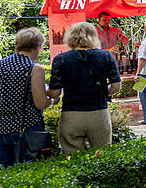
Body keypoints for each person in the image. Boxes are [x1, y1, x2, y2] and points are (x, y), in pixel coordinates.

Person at [0, 28, 55, 169]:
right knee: (27, 176)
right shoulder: (34, 68)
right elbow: (40, 103)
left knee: (2, 177)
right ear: (37, 47)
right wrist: (52, 100)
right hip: (25, 130)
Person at [47, 22, 121, 154]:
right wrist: (102, 92)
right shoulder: (106, 56)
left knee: (73, 160)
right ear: (94, 36)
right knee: (103, 158)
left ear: (70, 37)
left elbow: (55, 92)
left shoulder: (61, 59)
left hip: (71, 115)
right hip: (99, 113)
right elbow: (116, 86)